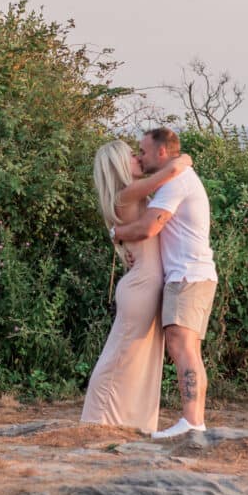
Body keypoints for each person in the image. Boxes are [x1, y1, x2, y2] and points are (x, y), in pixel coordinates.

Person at [80, 140, 193, 434]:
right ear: (119, 164)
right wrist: (184, 160)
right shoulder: (126, 194)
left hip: (145, 285)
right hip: (141, 287)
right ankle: (97, 418)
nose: (137, 158)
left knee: (140, 360)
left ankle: (130, 423)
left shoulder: (127, 196)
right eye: (132, 155)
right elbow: (167, 174)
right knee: (120, 356)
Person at [113, 128, 217, 439]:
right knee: (186, 347)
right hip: (187, 274)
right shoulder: (172, 180)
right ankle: (193, 421)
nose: (140, 157)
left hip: (188, 275)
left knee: (182, 346)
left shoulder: (177, 181)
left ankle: (192, 422)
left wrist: (116, 235)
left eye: (142, 151)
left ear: (161, 152)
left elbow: (147, 228)